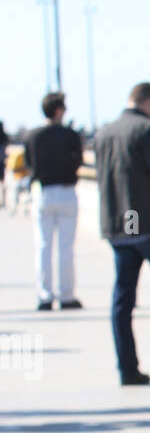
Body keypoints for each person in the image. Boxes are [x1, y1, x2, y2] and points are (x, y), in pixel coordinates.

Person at [95, 82, 150, 386]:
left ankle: (127, 369)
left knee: (122, 300)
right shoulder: (148, 129)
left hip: (119, 226)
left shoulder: (104, 133)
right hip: (147, 225)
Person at [23, 92, 83, 311]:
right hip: (66, 191)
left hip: (42, 192)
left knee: (43, 245)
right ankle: (67, 295)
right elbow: (78, 160)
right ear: (59, 110)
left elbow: (28, 163)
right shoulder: (70, 135)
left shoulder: (32, 135)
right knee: (66, 247)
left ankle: (45, 295)